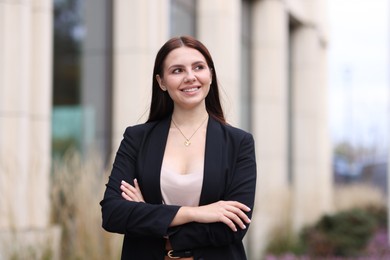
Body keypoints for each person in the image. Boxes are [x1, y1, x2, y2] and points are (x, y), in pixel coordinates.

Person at [100, 36, 257, 260]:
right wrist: (196, 213)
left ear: (210, 75)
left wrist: (150, 217)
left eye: (198, 67)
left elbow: (234, 226)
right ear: (161, 82)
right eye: (177, 71)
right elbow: (113, 213)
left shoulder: (238, 143)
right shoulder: (137, 138)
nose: (190, 77)